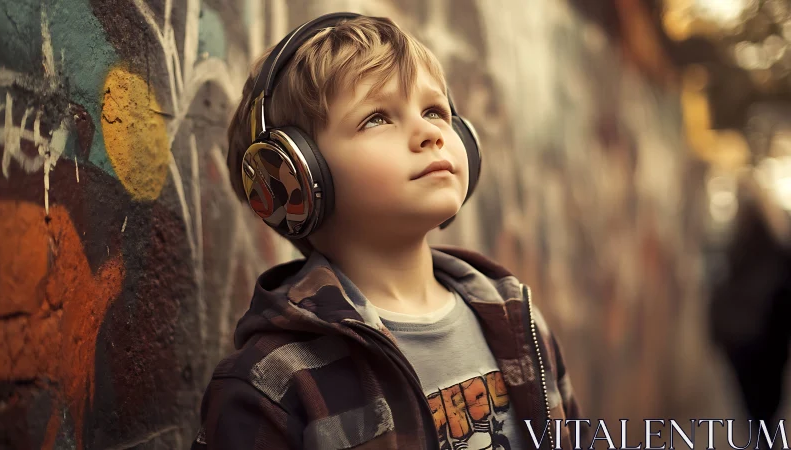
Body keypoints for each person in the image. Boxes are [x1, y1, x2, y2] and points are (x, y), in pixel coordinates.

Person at [192, 12, 589, 450]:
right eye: (377, 118)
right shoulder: (272, 383)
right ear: (296, 177)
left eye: (435, 111)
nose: (430, 133)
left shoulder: (516, 318)